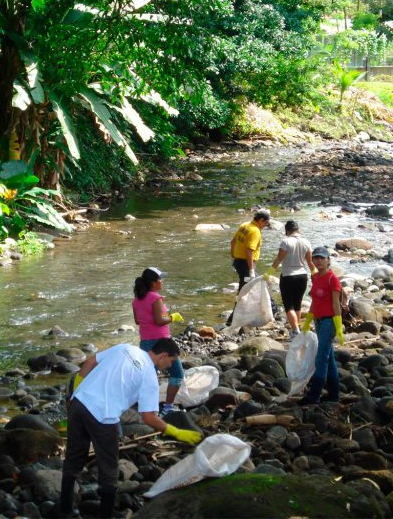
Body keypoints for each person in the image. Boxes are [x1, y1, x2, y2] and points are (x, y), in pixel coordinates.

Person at [60, 339, 202, 518]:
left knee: (74, 457)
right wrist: (176, 431)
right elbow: (148, 417)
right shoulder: (149, 376)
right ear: (164, 356)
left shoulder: (125, 348)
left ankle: (65, 509)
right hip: (103, 417)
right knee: (109, 470)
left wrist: (77, 391)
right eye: (171, 361)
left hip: (78, 404)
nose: (170, 365)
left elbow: (89, 362)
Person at [132, 267, 185, 416]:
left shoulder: (136, 300)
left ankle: (147, 409)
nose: (162, 282)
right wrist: (173, 317)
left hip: (145, 342)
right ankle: (168, 408)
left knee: (148, 377)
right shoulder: (155, 298)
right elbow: (159, 320)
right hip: (161, 343)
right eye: (160, 279)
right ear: (153, 283)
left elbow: (137, 321)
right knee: (177, 374)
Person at [299, 246, 343, 405]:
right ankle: (333, 394)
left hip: (329, 321)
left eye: (321, 258)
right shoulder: (316, 278)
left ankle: (314, 395)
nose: (318, 261)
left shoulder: (333, 279)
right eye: (315, 258)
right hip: (318, 321)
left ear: (328, 260)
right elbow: (315, 302)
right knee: (329, 358)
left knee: (320, 358)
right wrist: (308, 320)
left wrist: (338, 326)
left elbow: (336, 304)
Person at [268, 221, 316, 338]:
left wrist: (268, 273)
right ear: (298, 229)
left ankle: (295, 331)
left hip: (288, 276)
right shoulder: (306, 242)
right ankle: (297, 328)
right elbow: (310, 262)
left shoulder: (286, 242)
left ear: (287, 230)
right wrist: (314, 273)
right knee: (297, 304)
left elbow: (279, 259)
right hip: (302, 276)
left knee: (288, 305)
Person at [227, 209, 272, 326]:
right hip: (246, 264)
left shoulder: (245, 225)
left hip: (238, 262)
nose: (265, 226)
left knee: (246, 288)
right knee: (245, 290)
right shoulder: (255, 231)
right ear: (261, 220)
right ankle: (233, 320)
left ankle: (238, 317)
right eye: (266, 223)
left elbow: (232, 242)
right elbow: (249, 251)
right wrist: (251, 270)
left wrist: (233, 257)